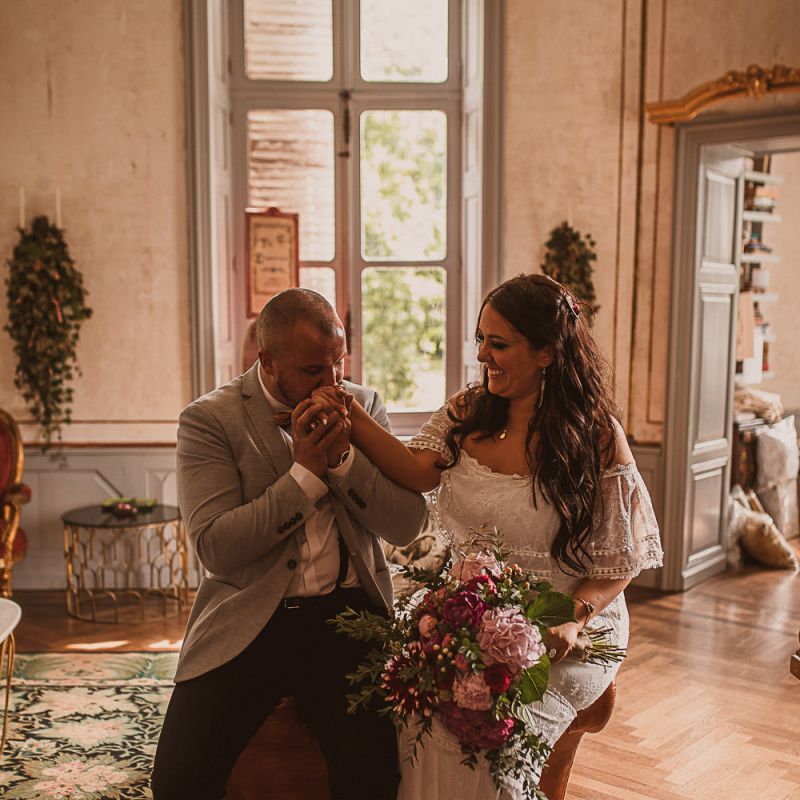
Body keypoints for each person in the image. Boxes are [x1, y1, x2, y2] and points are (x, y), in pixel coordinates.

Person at [312, 273, 664, 799]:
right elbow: (414, 470)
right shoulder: (466, 411)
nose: (482, 355)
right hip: (470, 617)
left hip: (567, 628)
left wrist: (572, 619)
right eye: (480, 339)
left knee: (493, 738)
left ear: (546, 352)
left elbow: (620, 561)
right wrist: (350, 413)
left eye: (498, 344)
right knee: (412, 718)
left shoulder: (595, 436)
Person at [151, 288, 428, 800]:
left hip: (348, 616)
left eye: (339, 363)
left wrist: (343, 462)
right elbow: (215, 547)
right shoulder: (208, 420)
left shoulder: (364, 406)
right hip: (251, 617)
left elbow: (407, 525)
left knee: (371, 777)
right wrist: (304, 476)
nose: (333, 383)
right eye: (313, 371)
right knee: (178, 780)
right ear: (268, 361)